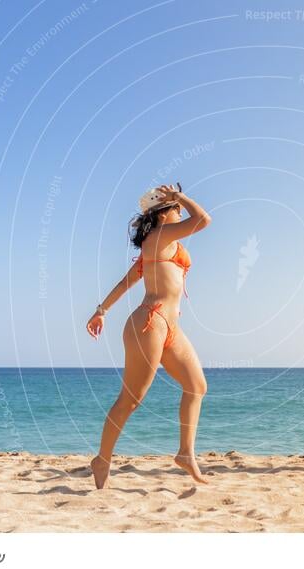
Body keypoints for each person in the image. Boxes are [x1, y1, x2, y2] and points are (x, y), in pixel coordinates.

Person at [86, 183, 212, 487]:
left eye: (179, 206)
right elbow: (203, 220)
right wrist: (179, 196)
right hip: (149, 324)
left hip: (171, 327)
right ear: (162, 212)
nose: (180, 211)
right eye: (175, 208)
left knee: (196, 386)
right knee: (131, 400)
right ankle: (102, 459)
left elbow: (127, 280)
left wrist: (101, 309)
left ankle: (185, 453)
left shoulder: (160, 243)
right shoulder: (158, 236)